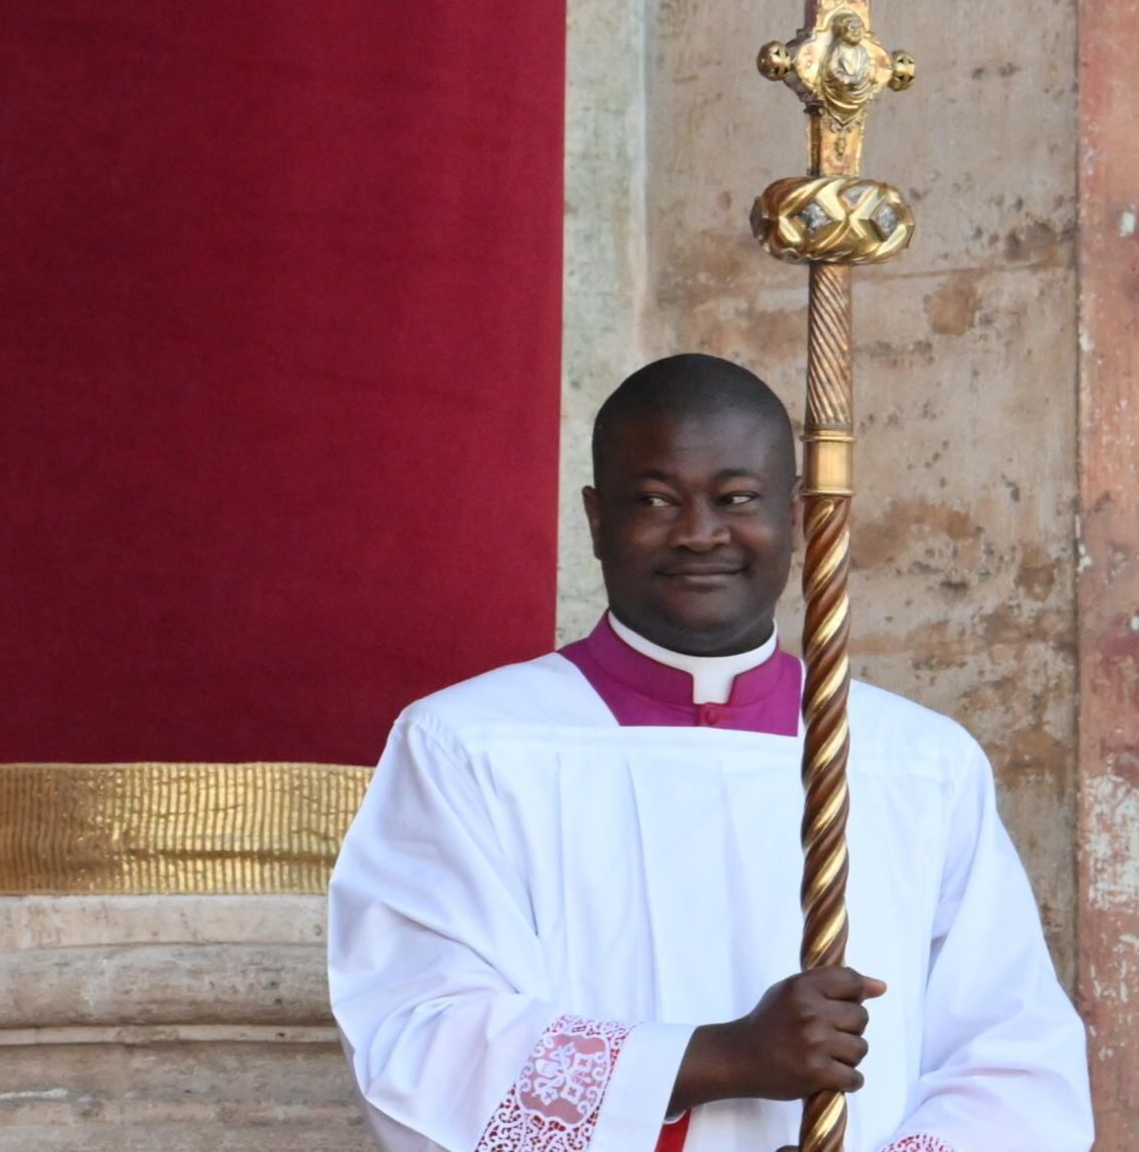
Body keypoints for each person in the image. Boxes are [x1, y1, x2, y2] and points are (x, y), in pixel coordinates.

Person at [329, 353, 1092, 1152]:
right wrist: (721, 1058)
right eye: (655, 500)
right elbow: (418, 1035)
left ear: (797, 516)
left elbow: (1014, 1059)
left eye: (737, 498)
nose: (699, 534)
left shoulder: (918, 764)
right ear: (596, 518)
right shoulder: (468, 747)